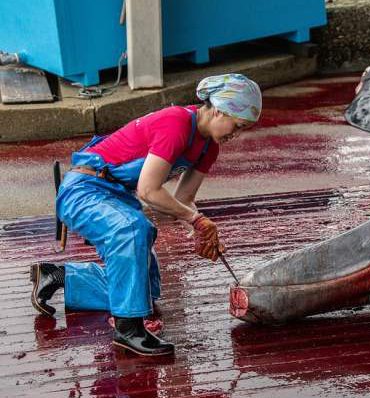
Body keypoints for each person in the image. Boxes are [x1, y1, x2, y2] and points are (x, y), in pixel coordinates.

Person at [29, 73, 262, 356]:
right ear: (218, 110)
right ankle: (128, 329)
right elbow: (149, 190)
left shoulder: (209, 147)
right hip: (84, 188)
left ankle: (59, 276)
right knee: (132, 229)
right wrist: (197, 220)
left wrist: (202, 232)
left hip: (117, 196)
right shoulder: (177, 123)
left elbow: (183, 199)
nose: (236, 135)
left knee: (144, 292)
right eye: (237, 125)